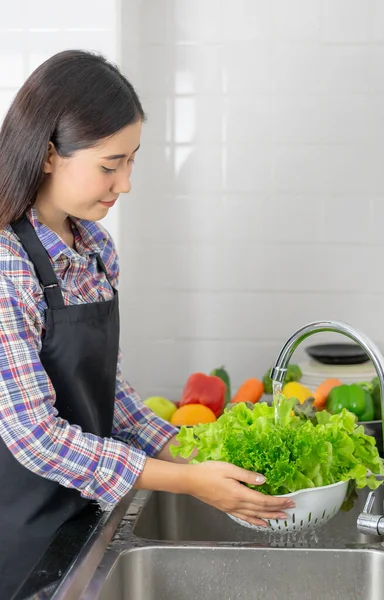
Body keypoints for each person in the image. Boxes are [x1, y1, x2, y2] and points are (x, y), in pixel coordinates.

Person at [0, 49, 294, 596]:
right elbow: (36, 436)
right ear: (47, 155)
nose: (125, 184)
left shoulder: (95, 249)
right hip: (15, 545)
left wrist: (193, 452)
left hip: (81, 520)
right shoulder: (6, 266)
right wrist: (187, 481)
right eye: (110, 165)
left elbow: (105, 392)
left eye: (131, 161)